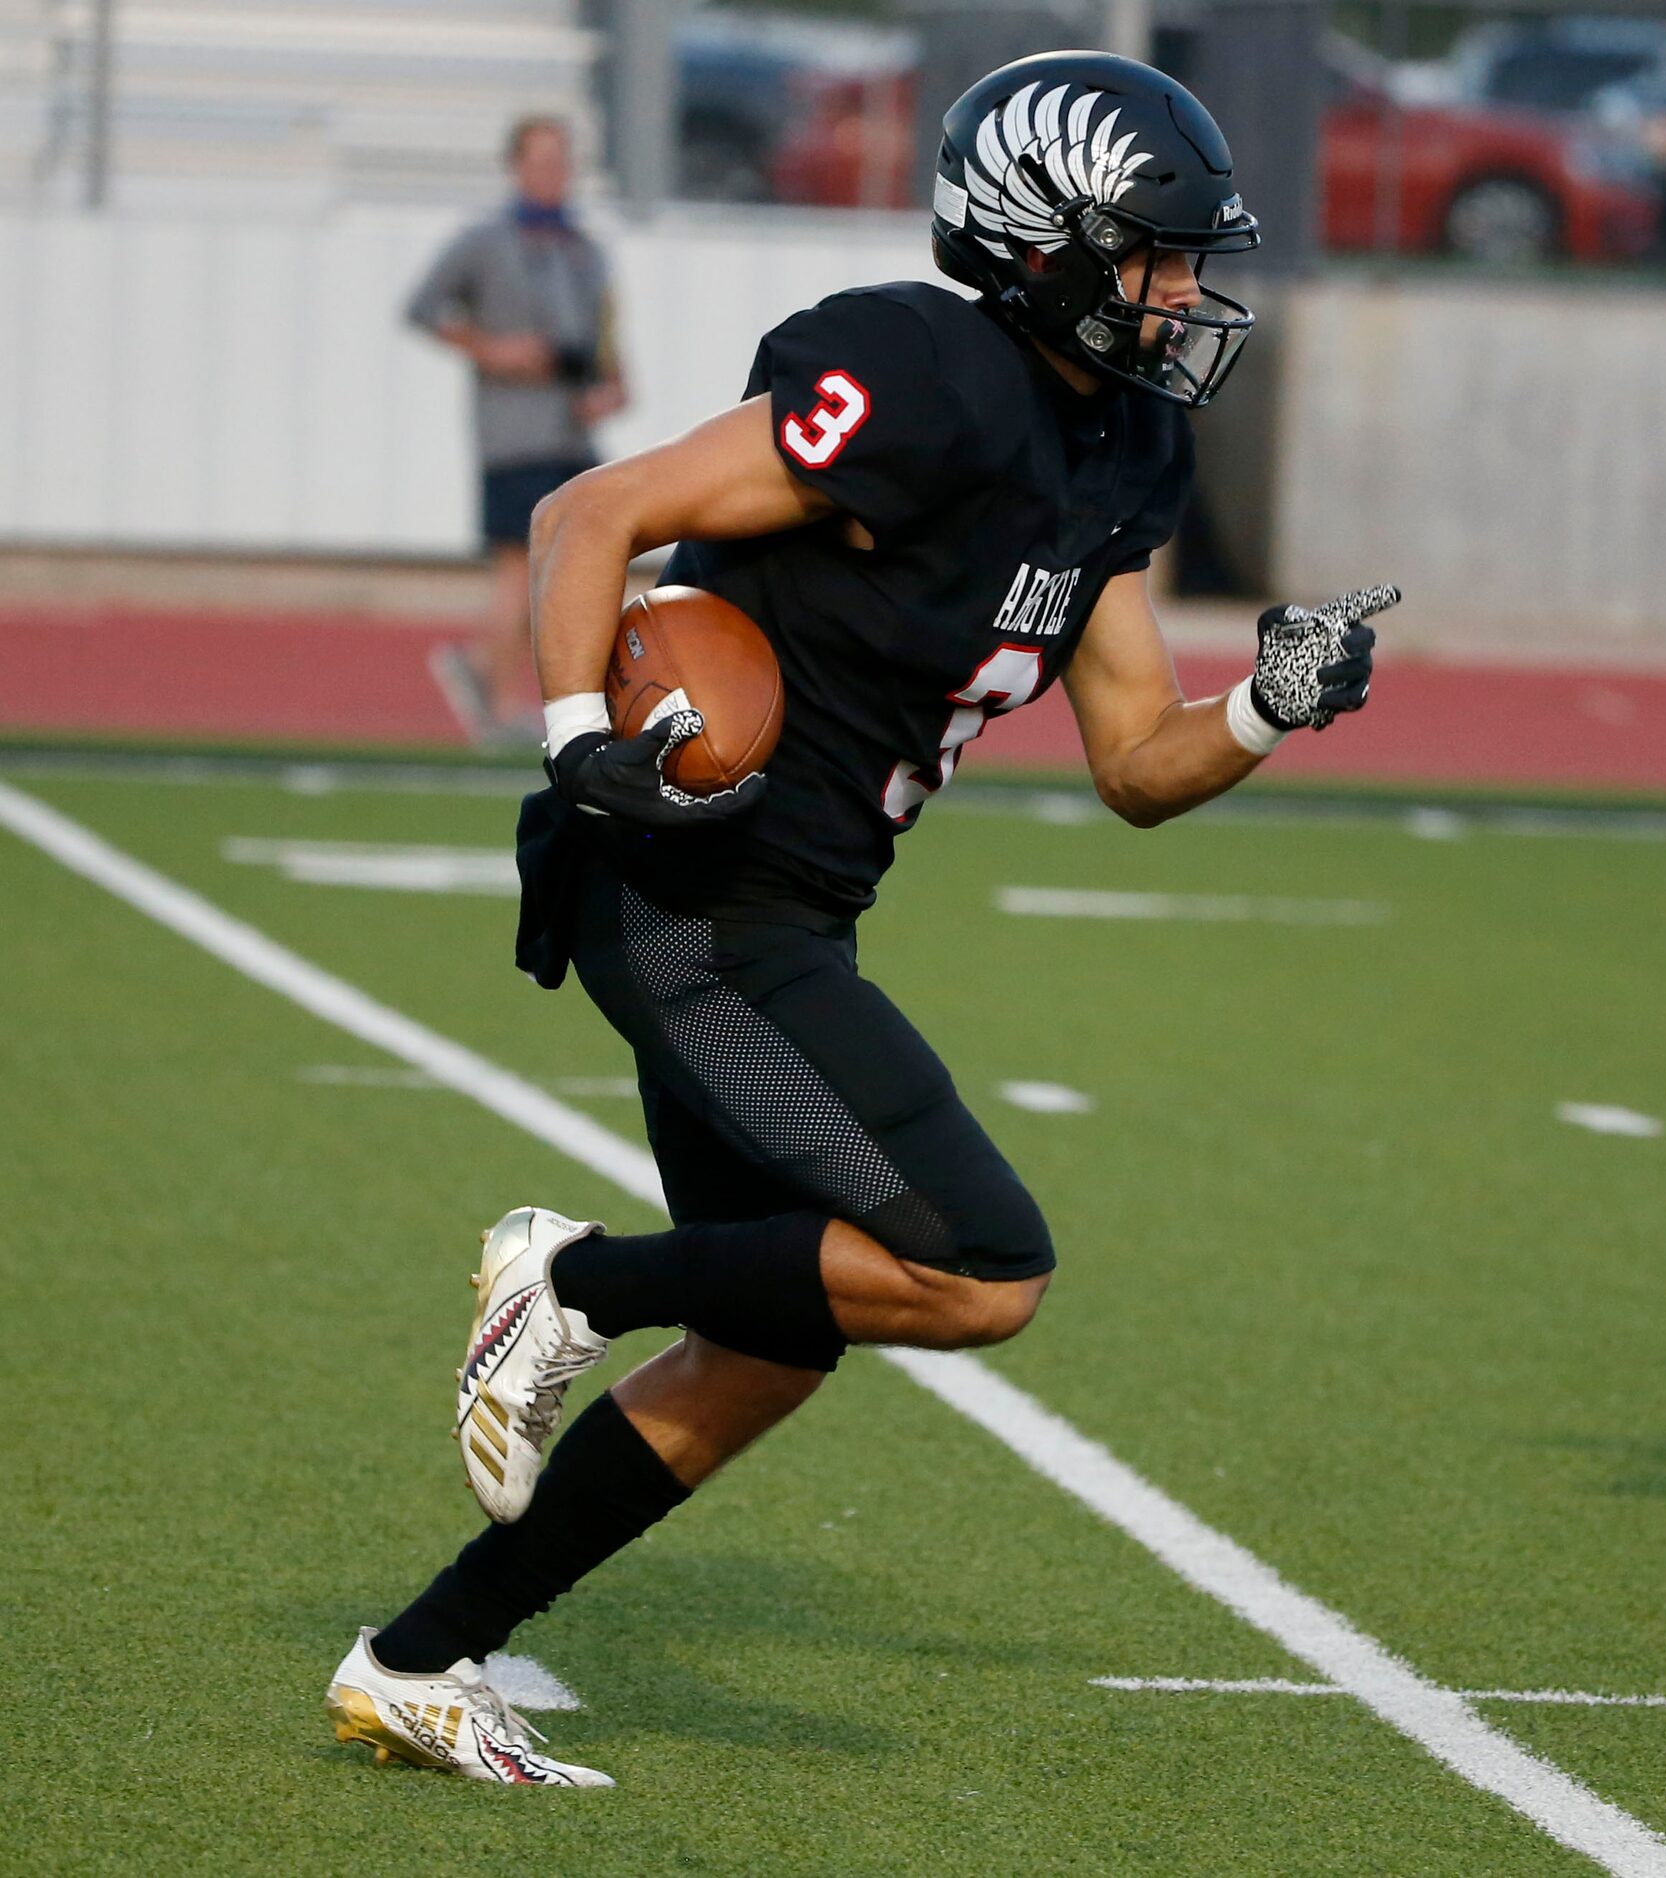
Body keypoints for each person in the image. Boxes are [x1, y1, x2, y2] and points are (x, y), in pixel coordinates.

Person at [326, 53, 1396, 1784]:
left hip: (796, 910)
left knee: (762, 1349)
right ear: (1043, 244)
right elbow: (593, 510)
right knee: (983, 1272)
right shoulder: (919, 369)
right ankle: (563, 1276)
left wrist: (1271, 706)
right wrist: (575, 737)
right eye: (1158, 254)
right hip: (693, 889)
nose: (1189, 292)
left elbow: (1134, 759)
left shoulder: (1124, 435)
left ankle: (414, 1657)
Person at [407, 115, 627, 747]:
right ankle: (502, 705)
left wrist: (610, 384)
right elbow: (423, 308)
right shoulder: (485, 241)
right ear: (516, 167)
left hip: (570, 433)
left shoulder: (584, 250)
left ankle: (485, 673)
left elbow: (606, 339)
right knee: (519, 569)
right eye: (541, 162)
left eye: (562, 162)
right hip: (513, 431)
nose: (553, 175)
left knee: (562, 571)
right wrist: (494, 350)